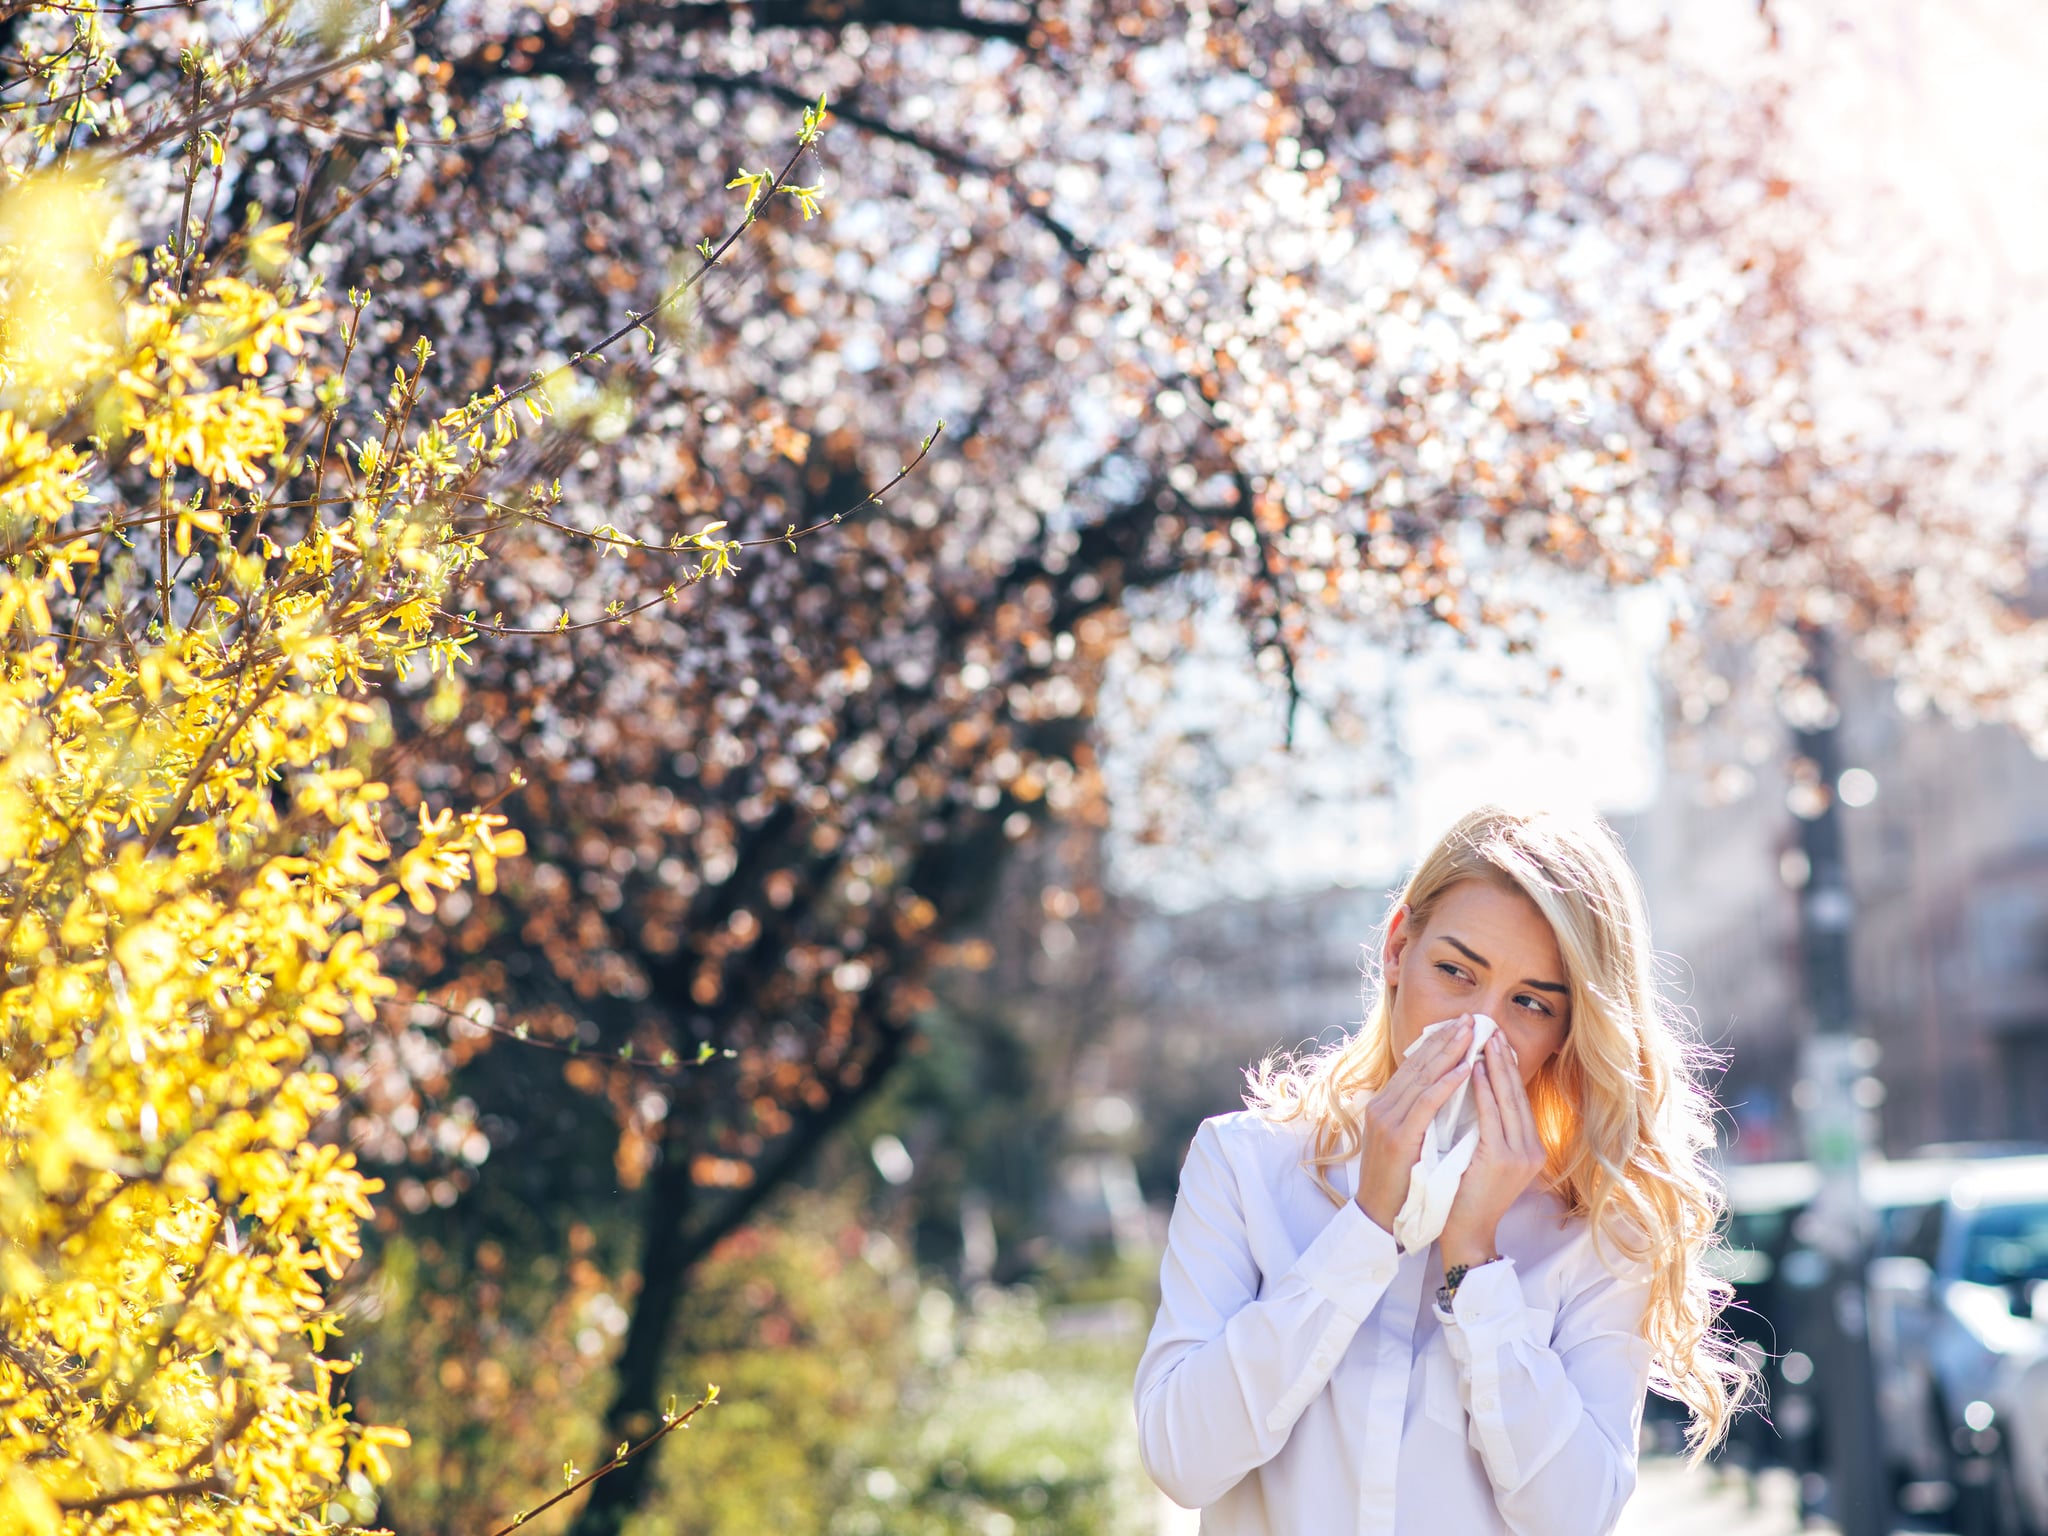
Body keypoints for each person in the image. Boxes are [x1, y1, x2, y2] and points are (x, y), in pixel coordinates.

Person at [1133, 805, 1749, 1534]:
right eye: (1456, 973)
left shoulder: (1592, 1228)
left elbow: (1576, 1518)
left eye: (1528, 1003)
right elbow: (1181, 1459)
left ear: (1565, 1031)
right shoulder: (1247, 1164)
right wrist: (1364, 1228)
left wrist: (1474, 1263)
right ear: (1398, 950)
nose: (1479, 1031)